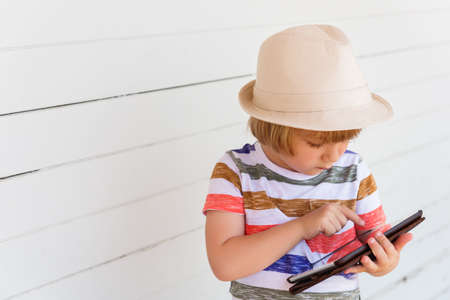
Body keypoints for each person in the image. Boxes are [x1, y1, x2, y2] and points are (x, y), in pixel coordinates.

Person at [201, 24, 413, 300]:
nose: (334, 155)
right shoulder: (236, 171)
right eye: (316, 143)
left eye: (346, 138)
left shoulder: (354, 170)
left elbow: (376, 240)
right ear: (273, 128)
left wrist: (385, 263)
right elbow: (225, 265)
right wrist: (303, 225)